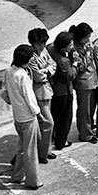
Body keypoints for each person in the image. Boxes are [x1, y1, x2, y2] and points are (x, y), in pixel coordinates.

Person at [1, 45, 43, 190]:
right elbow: (29, 97)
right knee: (30, 150)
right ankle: (33, 180)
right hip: (28, 117)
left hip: (17, 116)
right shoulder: (23, 76)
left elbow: (4, 92)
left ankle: (17, 175)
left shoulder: (8, 71)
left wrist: (13, 102)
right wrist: (37, 112)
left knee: (22, 147)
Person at [27, 28, 57, 164]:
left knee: (45, 122)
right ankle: (42, 153)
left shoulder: (44, 51)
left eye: (43, 43)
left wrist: (45, 70)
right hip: (38, 92)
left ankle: (46, 149)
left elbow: (53, 65)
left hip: (46, 90)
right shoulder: (31, 56)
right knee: (47, 122)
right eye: (39, 43)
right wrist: (47, 71)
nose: (42, 45)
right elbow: (38, 76)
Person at [70, 23, 98, 143]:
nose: (88, 40)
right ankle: (85, 133)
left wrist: (88, 54)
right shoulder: (74, 49)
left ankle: (89, 126)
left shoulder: (86, 45)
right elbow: (80, 66)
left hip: (92, 79)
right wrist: (88, 54)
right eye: (86, 37)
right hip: (83, 82)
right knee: (84, 110)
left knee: (91, 107)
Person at [48, 32, 75, 151]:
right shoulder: (63, 61)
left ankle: (53, 137)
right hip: (63, 92)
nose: (72, 46)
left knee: (55, 116)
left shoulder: (51, 49)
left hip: (54, 90)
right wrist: (75, 64)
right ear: (63, 47)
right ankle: (61, 141)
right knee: (65, 118)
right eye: (70, 45)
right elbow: (70, 75)